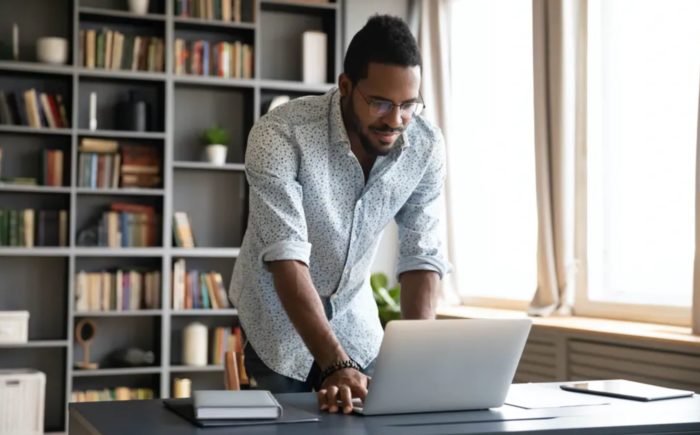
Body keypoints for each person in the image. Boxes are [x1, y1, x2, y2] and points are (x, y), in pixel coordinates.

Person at [229, 14, 449, 414]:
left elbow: (422, 255)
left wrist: (418, 364)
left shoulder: (425, 147)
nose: (395, 120)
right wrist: (336, 364)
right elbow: (287, 258)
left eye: (408, 105)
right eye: (380, 102)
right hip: (277, 325)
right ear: (346, 86)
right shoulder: (280, 134)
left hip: (356, 321)